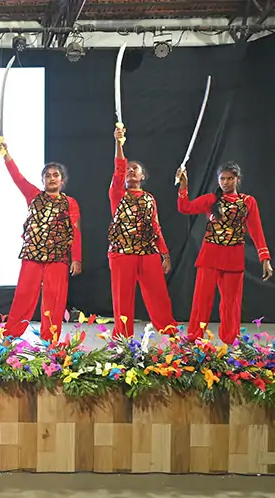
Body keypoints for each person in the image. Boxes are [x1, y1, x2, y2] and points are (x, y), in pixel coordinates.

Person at [177, 163, 272, 343]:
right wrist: (183, 186)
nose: (226, 182)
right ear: (218, 179)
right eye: (222, 178)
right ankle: (194, 337)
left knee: (231, 303)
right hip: (209, 257)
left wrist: (265, 258)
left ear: (238, 179)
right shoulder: (212, 199)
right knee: (201, 301)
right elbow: (186, 208)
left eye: (230, 178)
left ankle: (231, 339)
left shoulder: (248, 202)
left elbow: (256, 230)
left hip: (233, 258)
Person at [0, 139, 82, 342]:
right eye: (47, 175)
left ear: (62, 180)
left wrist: (76, 258)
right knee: (23, 297)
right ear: (43, 180)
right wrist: (5, 153)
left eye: (55, 175)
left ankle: (50, 342)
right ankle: (9, 337)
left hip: (58, 258)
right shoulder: (34, 196)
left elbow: (75, 231)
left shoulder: (70, 203)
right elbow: (17, 177)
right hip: (32, 255)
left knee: (54, 301)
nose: (51, 178)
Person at [107, 127, 176, 338]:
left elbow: (156, 227)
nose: (130, 170)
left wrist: (165, 254)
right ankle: (123, 337)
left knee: (159, 295)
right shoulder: (117, 194)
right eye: (128, 168)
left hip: (148, 252)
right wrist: (119, 143)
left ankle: (169, 331)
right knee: (122, 298)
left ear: (142, 175)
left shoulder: (149, 198)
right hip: (122, 253)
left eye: (135, 168)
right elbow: (119, 169)